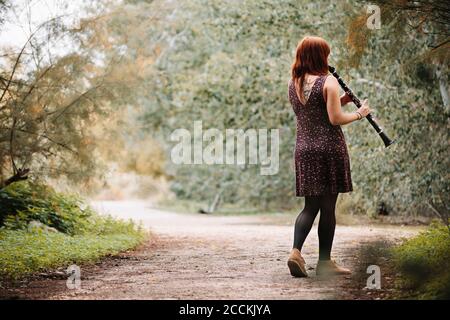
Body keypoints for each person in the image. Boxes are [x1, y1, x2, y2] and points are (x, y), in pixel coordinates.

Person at [287, 36, 371, 277]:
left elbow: (314, 111)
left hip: (304, 149)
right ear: (320, 56)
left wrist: (339, 100)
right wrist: (359, 113)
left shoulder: (294, 82)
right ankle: (324, 263)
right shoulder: (329, 81)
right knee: (328, 207)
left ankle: (295, 252)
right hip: (328, 149)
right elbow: (335, 119)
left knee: (310, 206)